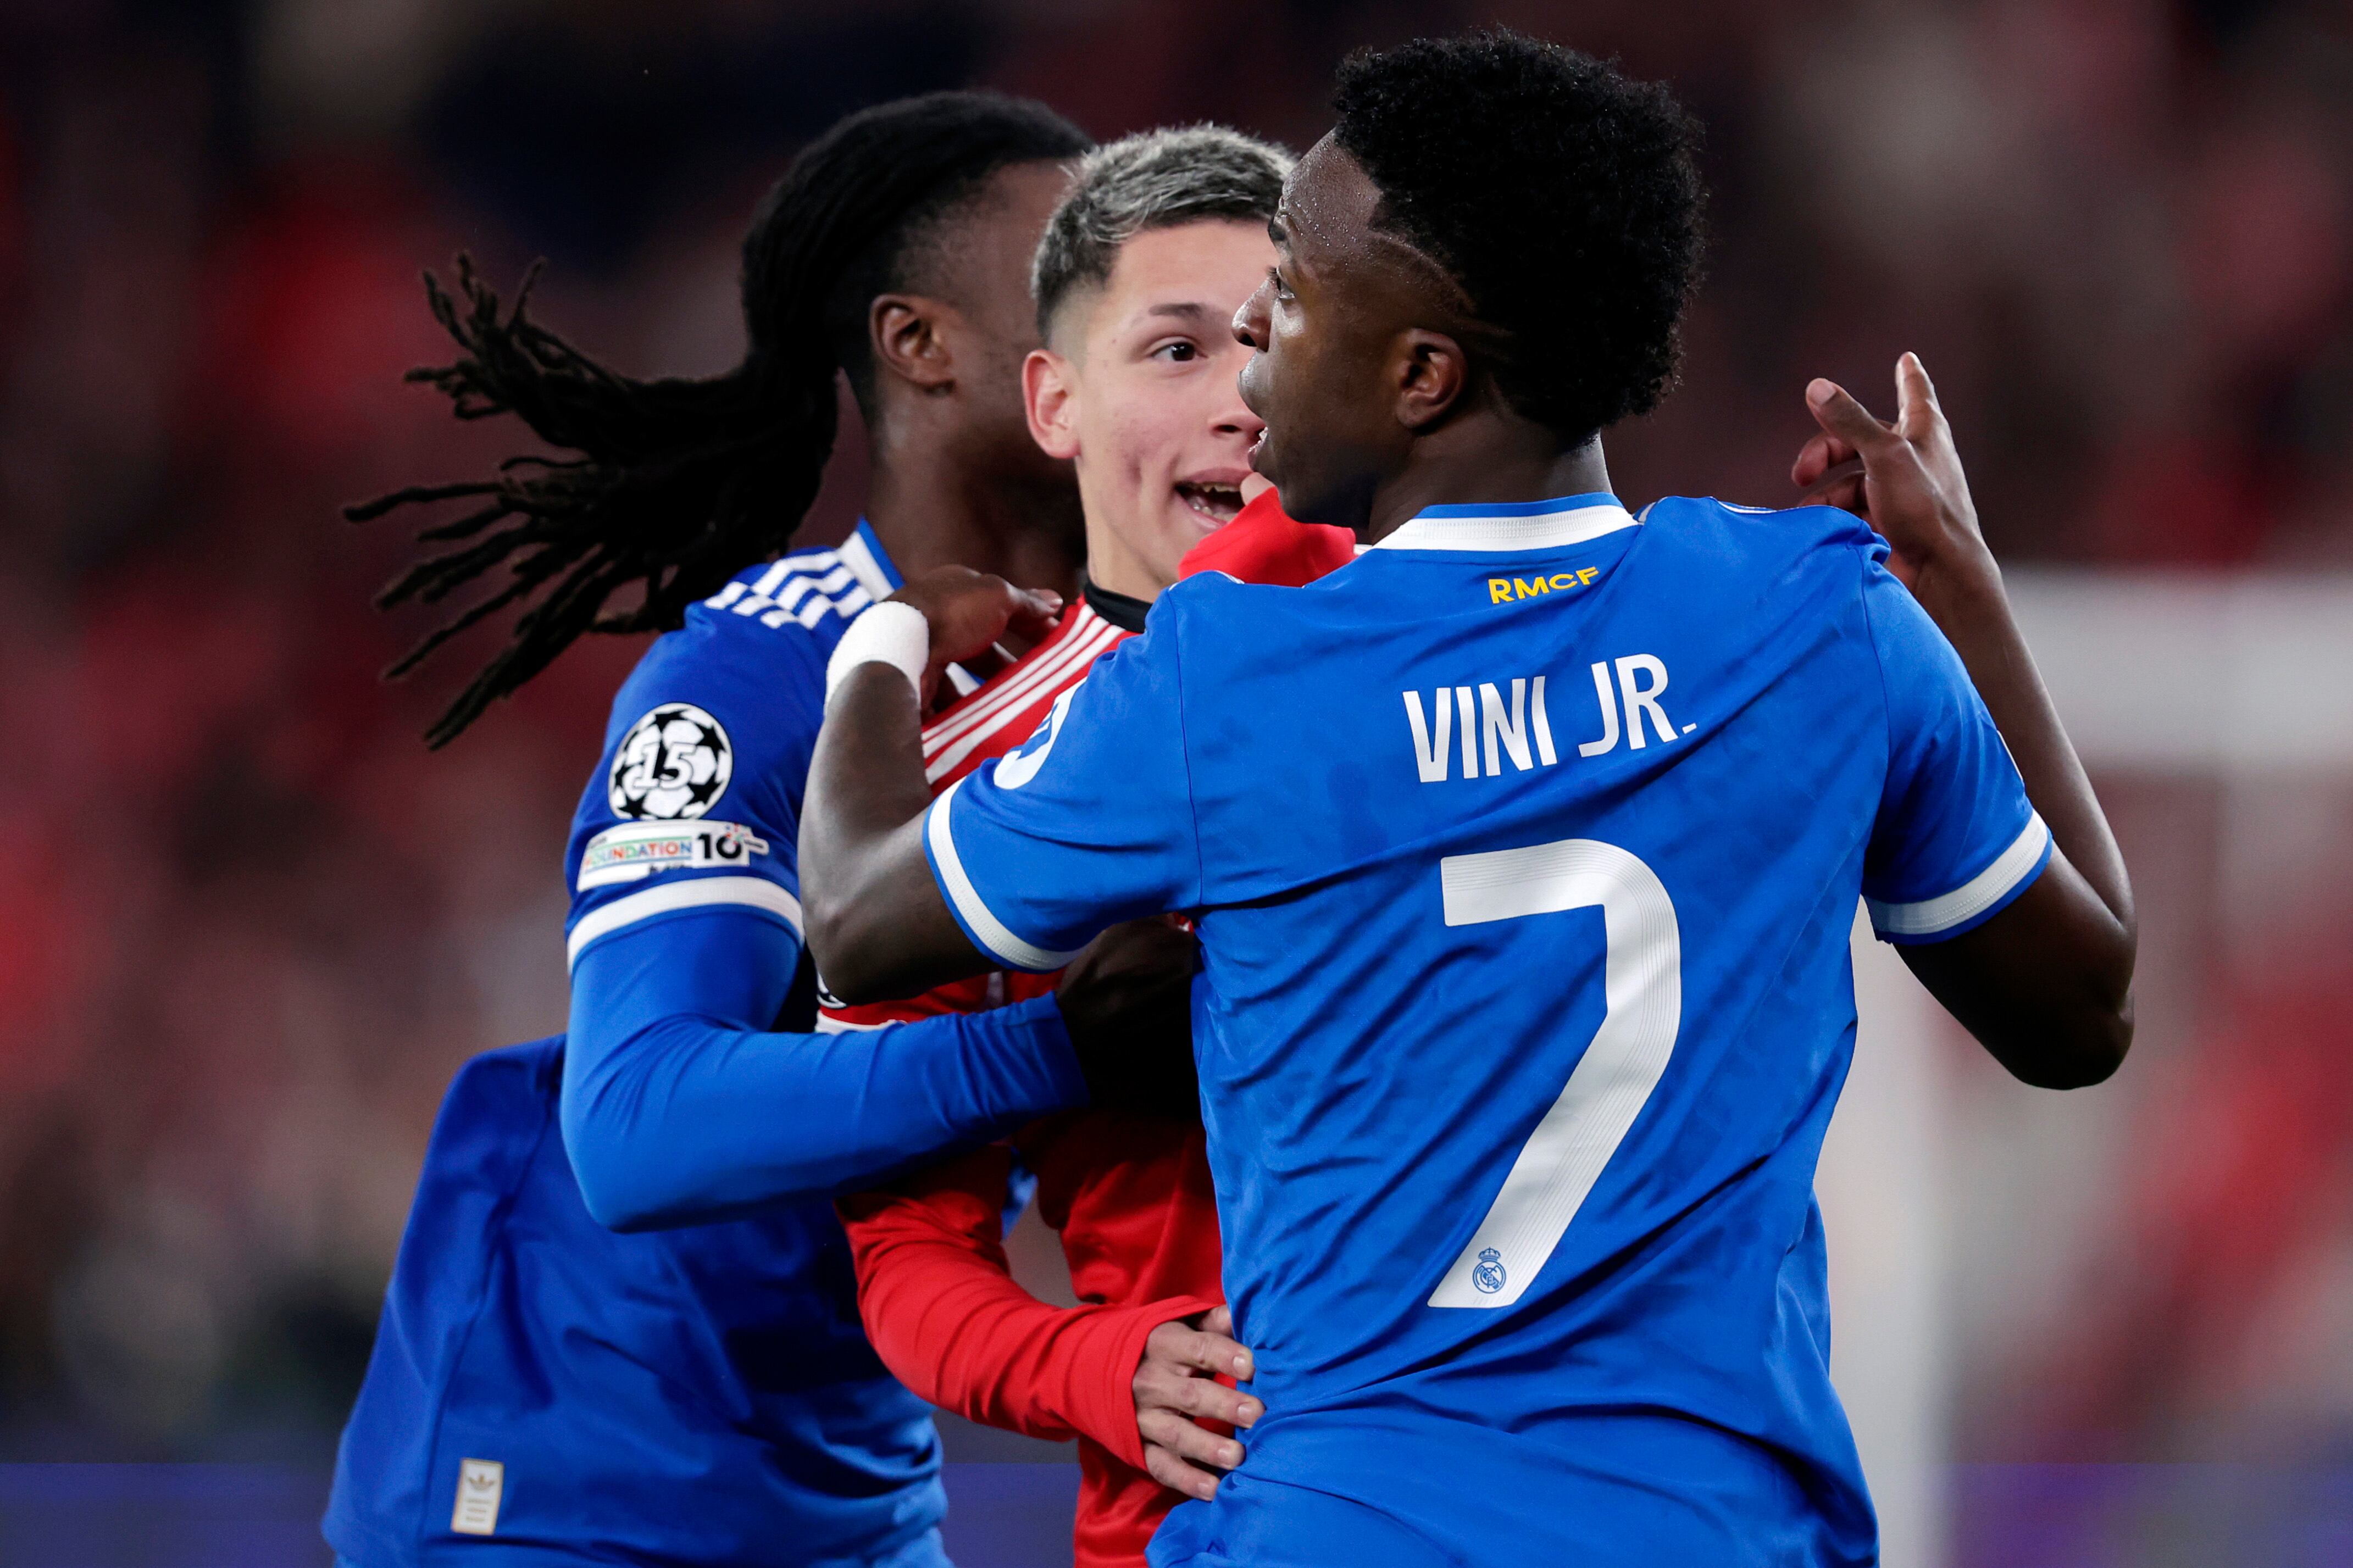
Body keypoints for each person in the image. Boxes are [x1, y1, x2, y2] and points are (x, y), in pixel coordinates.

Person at [797, 31, 2135, 1568]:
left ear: (1422, 377)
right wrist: (1954, 576)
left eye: (1292, 296)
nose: (1252, 325)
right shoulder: (1817, 616)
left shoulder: (1235, 672)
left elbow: (858, 922)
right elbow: (2081, 1017)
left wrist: (883, 642)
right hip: (1713, 1531)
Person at [324, 93, 1197, 1568]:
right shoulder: (758, 670)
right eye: (1069, 271)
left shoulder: (1160, 674)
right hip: (568, 1481)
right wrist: (1056, 1050)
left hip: (850, 1480)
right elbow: (639, 1125)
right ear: (916, 345)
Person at [829, 126, 1352, 1568]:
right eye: (1175, 351)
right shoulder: (951, 785)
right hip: (1208, 1516)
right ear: (1053, 403)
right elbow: (908, 1245)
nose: (1239, 399)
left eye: (1271, 342)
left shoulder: (1482, 650)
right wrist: (1088, 1366)